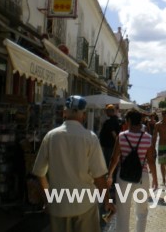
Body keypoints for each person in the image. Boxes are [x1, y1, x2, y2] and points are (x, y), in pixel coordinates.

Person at [32, 95, 114, 232]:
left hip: (58, 205)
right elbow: (99, 176)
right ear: (83, 115)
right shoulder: (90, 138)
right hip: (84, 204)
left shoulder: (51, 137)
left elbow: (39, 172)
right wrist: (107, 200)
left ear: (64, 113)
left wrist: (48, 199)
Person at [107, 109, 157, 232]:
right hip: (142, 177)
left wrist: (109, 175)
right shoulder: (148, 138)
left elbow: (114, 158)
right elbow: (151, 160)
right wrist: (155, 178)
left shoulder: (121, 136)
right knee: (141, 212)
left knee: (123, 212)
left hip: (123, 177)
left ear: (128, 121)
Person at [152, 109, 166, 188]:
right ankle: (164, 179)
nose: (164, 116)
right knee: (162, 164)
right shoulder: (158, 124)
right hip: (161, 145)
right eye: (163, 115)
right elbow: (154, 136)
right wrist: (153, 146)